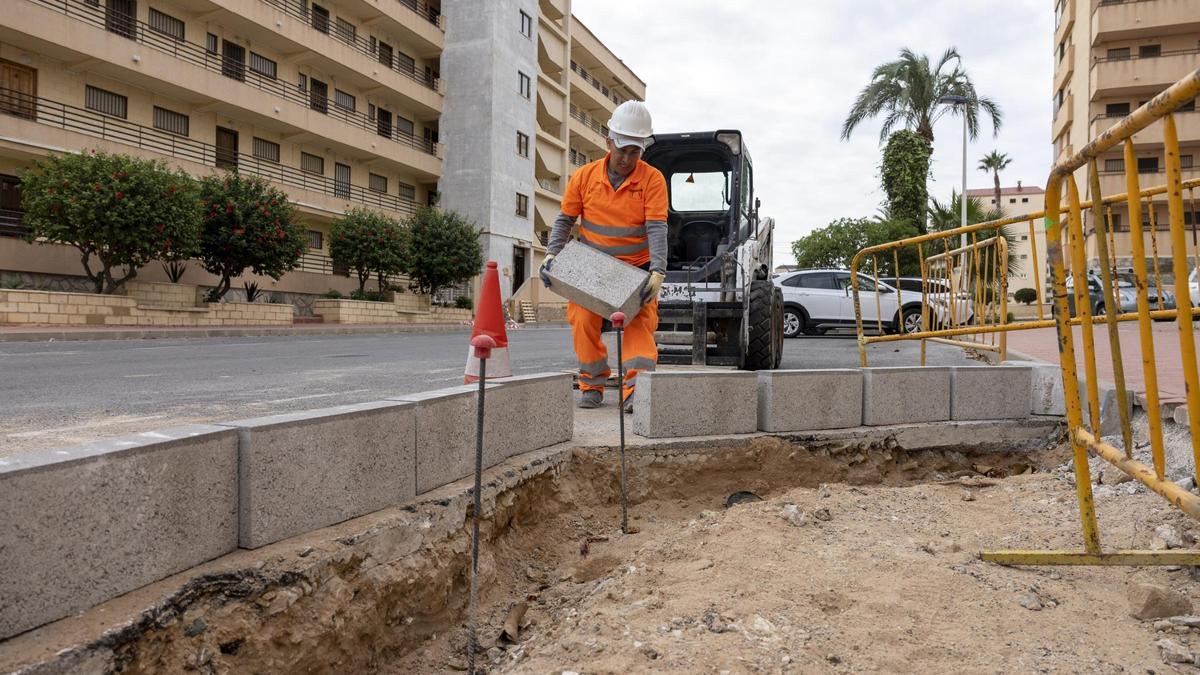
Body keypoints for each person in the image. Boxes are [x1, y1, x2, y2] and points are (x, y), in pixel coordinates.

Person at [539, 101, 668, 412]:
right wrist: (551, 253)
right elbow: (565, 220)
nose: (626, 159)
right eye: (622, 149)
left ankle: (637, 391)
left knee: (639, 328)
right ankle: (592, 384)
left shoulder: (652, 180)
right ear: (609, 142)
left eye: (634, 152)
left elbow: (657, 228)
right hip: (592, 269)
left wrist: (658, 270)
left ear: (642, 150)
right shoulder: (584, 177)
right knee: (582, 321)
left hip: (634, 270)